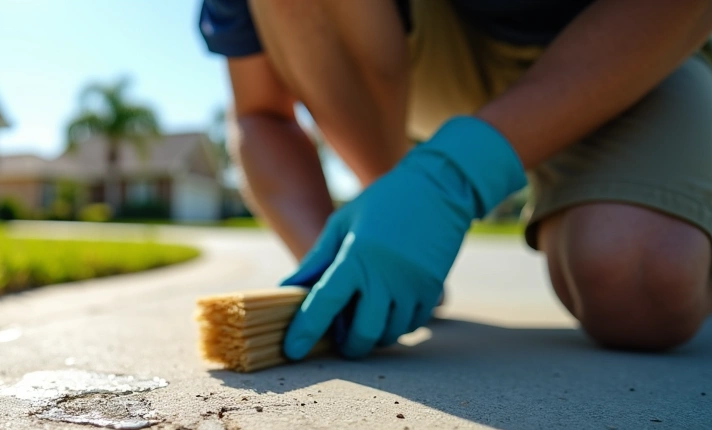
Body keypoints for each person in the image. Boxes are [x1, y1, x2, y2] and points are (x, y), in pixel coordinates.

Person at [201, 0, 712, 359]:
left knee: (640, 285)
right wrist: (333, 262)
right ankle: (392, 208)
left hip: (631, 49)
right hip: (431, 62)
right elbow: (261, 113)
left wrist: (453, 176)